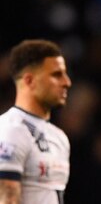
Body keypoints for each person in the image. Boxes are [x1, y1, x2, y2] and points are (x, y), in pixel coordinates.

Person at [0, 39, 72, 204]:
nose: (67, 82)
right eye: (56, 75)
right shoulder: (10, 130)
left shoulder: (59, 137)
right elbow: (7, 200)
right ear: (29, 81)